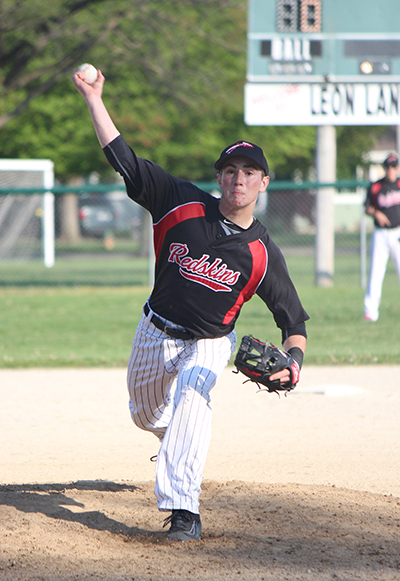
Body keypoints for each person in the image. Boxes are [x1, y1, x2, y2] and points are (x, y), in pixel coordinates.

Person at [72, 68, 309, 542]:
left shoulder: (263, 253)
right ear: (219, 177)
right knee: (144, 415)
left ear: (263, 182)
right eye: (230, 171)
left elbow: (293, 319)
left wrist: (295, 363)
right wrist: (95, 99)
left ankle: (184, 512)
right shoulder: (179, 202)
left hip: (210, 343)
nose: (238, 180)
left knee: (195, 398)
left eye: (248, 173)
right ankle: (173, 438)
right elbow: (125, 160)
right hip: (154, 332)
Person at [363, 153, 400, 322]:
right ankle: (371, 312)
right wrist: (376, 213)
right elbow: (367, 207)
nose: (390, 170)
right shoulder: (376, 186)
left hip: (398, 232)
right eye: (388, 167)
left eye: (393, 166)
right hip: (380, 234)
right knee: (376, 272)